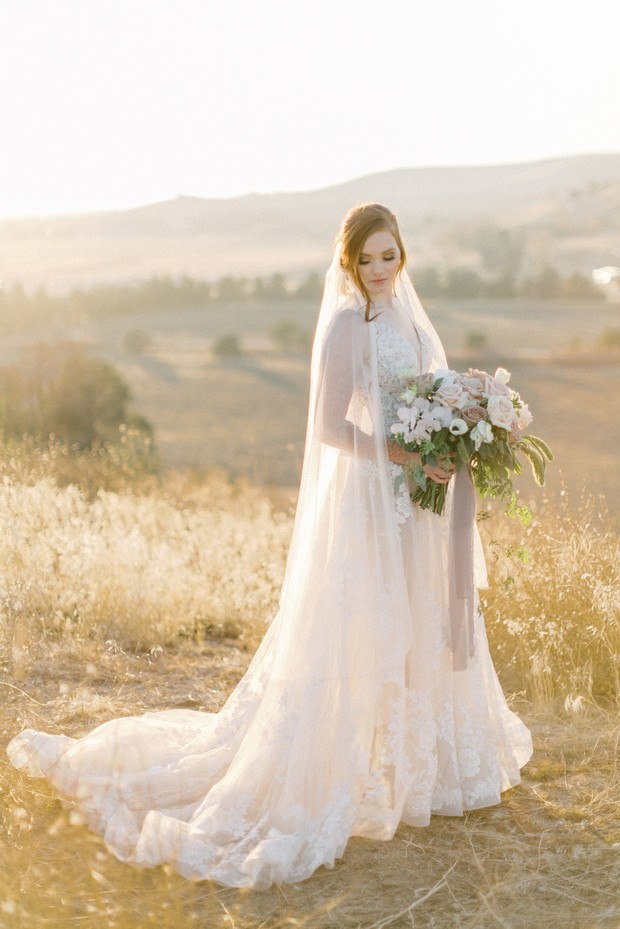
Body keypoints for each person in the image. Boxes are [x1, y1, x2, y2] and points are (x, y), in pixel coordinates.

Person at [7, 203, 532, 889]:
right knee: (370, 626)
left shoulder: (407, 314)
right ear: (348, 261)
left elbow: (423, 391)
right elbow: (329, 429)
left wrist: (463, 415)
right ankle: (356, 771)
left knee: (420, 625)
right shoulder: (347, 324)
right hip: (374, 497)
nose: (379, 269)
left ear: (402, 255)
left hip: (416, 499)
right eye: (366, 259)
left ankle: (419, 773)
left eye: (389, 256)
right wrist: (406, 454)